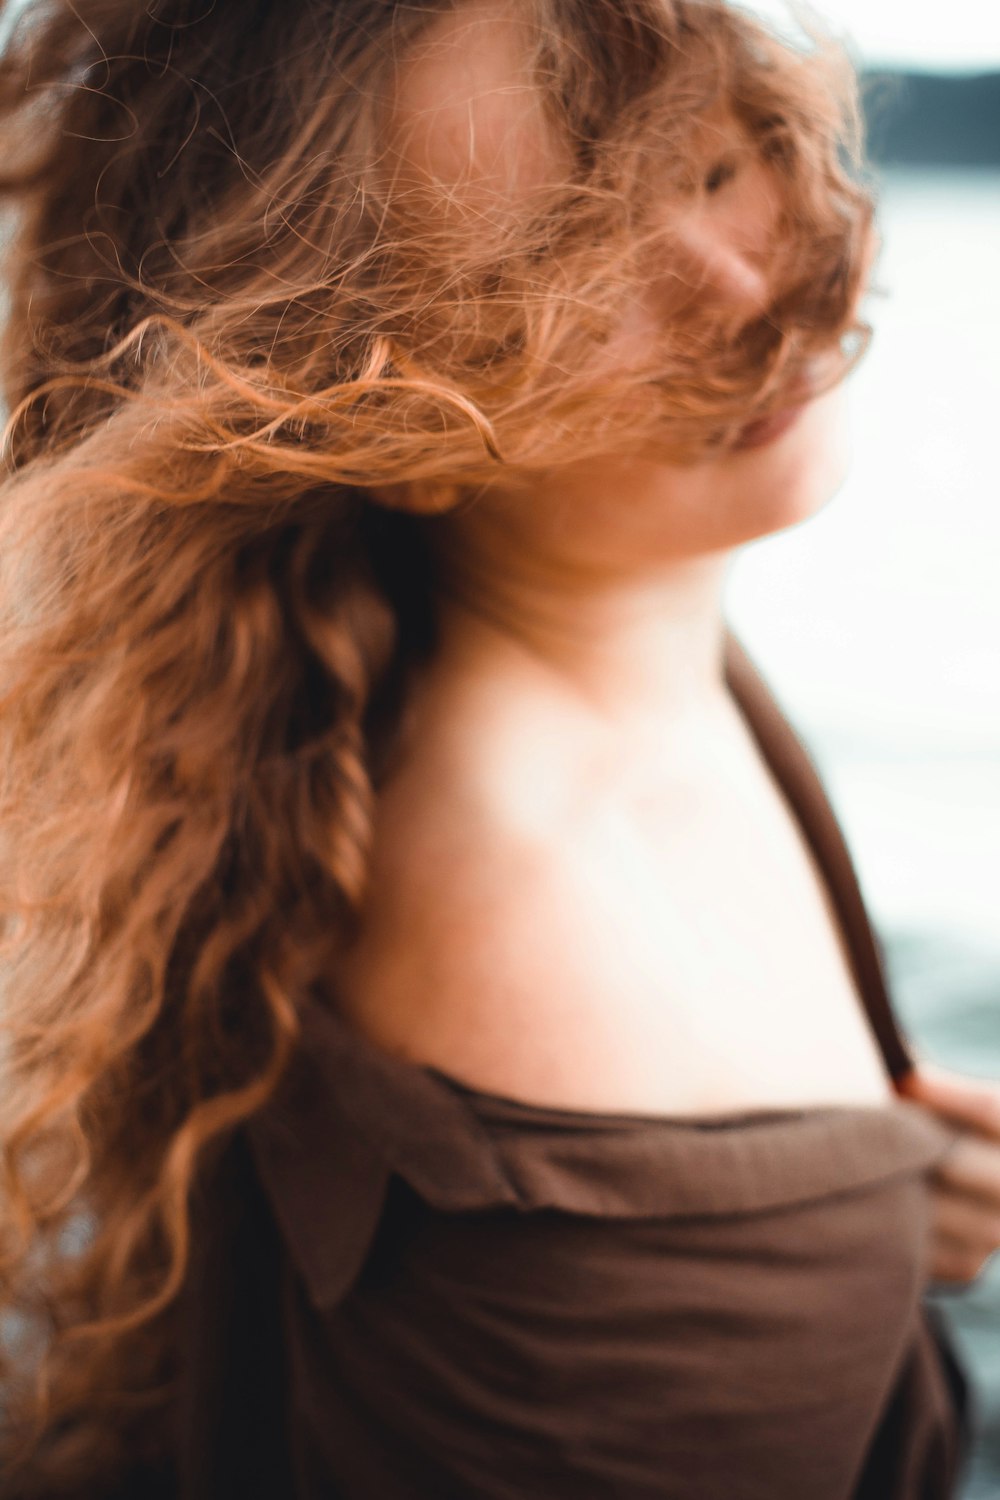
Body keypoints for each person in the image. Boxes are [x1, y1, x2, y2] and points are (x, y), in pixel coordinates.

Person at [0, 0, 997, 1495]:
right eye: (561, 274)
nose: (739, 286)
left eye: (713, 164)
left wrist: (843, 1228)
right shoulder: (548, 956)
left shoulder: (599, 641)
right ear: (374, 414)